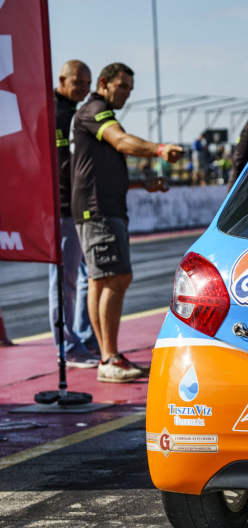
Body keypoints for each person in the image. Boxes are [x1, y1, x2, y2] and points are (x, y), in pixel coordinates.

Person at [70, 63, 184, 382]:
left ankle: (107, 355)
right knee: (117, 278)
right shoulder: (95, 110)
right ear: (104, 83)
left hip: (99, 207)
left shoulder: (95, 112)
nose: (126, 94)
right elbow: (121, 142)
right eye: (122, 87)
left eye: (130, 90)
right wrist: (159, 149)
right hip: (99, 210)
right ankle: (109, 358)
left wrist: (140, 183)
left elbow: (101, 169)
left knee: (100, 281)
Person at [50, 60, 101, 367]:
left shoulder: (73, 112)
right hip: (63, 207)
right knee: (64, 281)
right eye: (78, 82)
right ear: (62, 79)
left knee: (86, 278)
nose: (83, 88)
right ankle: (67, 349)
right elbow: (60, 165)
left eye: (87, 83)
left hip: (80, 208)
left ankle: (82, 337)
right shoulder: (55, 112)